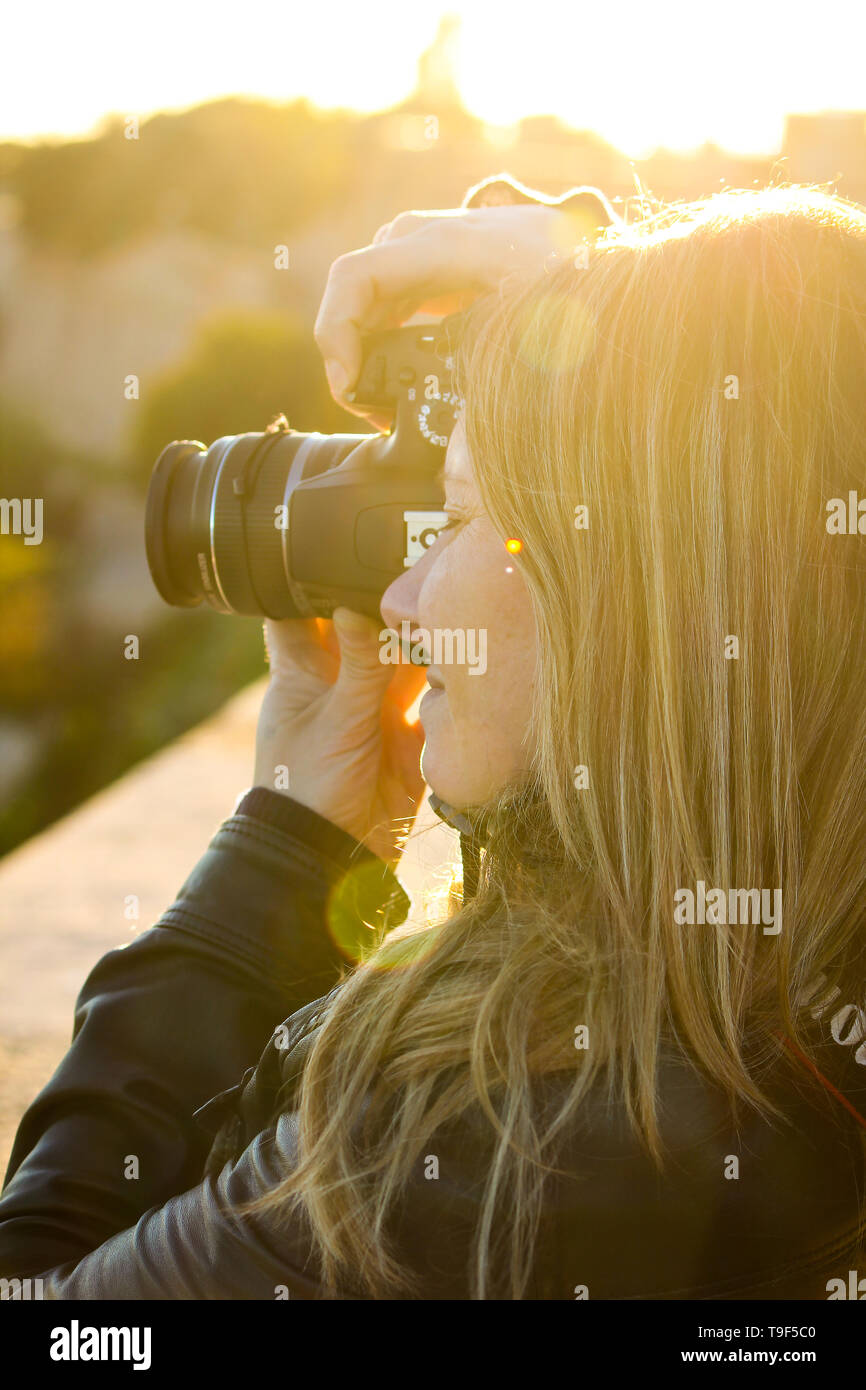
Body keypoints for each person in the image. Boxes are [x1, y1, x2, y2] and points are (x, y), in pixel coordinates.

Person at [1, 173, 865, 1301]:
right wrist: (625, 305)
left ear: (615, 595)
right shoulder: (801, 976)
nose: (394, 598)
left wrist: (282, 853)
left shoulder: (467, 1158)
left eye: (451, 516)